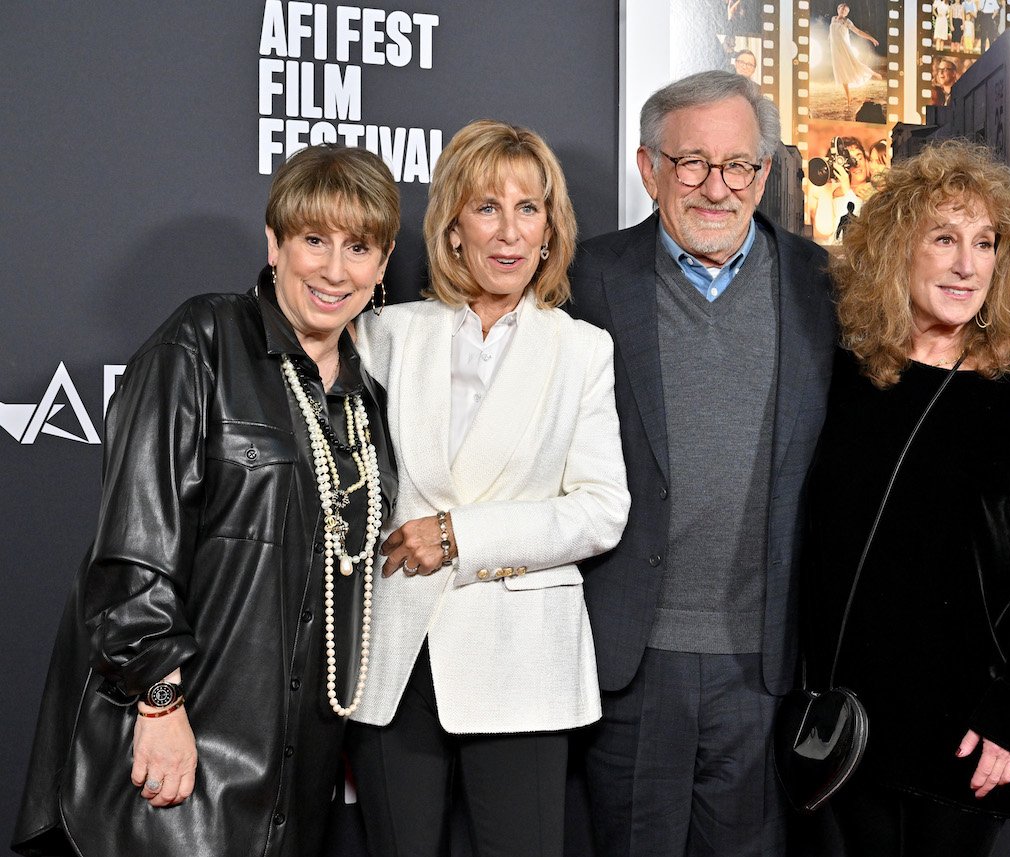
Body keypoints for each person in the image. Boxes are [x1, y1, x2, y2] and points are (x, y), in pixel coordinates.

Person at [12, 144, 401, 856]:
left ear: (382, 265)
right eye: (314, 240)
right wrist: (160, 703)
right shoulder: (202, 342)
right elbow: (135, 545)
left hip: (293, 779)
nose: (334, 270)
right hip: (175, 748)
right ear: (275, 243)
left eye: (358, 247)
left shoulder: (364, 404)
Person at [343, 119, 630, 857]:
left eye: (528, 208)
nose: (508, 232)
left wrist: (460, 536)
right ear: (452, 228)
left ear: (549, 229)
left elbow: (601, 510)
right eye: (486, 207)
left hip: (521, 658)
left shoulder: (581, 349)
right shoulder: (386, 335)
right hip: (395, 648)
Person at [570, 69, 837, 857]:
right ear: (649, 168)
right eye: (690, 163)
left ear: (764, 173)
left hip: (766, 667)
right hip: (629, 658)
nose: (714, 187)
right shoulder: (584, 279)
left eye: (738, 166)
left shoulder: (824, 284)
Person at [806, 139, 1010, 857]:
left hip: (966, 735)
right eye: (945, 238)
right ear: (898, 250)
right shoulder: (846, 382)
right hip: (853, 723)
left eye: (985, 243)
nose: (967, 264)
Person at [805, 135, 876, 245]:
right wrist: (827, 185)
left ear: (866, 160)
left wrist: (848, 191)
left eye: (859, 157)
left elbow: (858, 234)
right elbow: (825, 229)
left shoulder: (874, 191)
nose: (856, 164)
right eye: (850, 160)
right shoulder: (832, 191)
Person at [830, 3, 882, 114]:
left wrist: (871, 38)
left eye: (846, 10)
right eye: (842, 9)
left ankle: (873, 73)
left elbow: (858, 32)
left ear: (847, 13)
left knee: (854, 64)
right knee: (841, 73)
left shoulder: (847, 22)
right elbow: (832, 34)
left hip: (844, 49)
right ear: (838, 9)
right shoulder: (833, 19)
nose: (843, 11)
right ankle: (848, 97)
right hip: (835, 50)